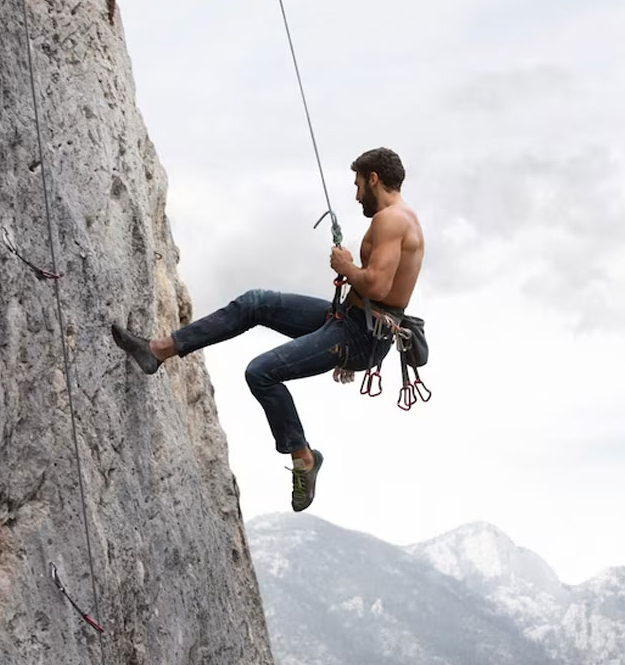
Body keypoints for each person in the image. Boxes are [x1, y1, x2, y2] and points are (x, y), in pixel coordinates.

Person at [111, 147, 425, 512]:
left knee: (260, 373)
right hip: (352, 324)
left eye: (358, 185)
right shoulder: (397, 219)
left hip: (360, 334)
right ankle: (158, 351)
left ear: (374, 179)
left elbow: (379, 287)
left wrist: (347, 267)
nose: (356, 197)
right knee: (256, 302)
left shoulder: (393, 220)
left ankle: (303, 457)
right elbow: (377, 291)